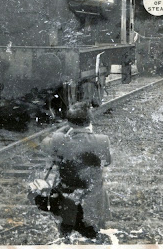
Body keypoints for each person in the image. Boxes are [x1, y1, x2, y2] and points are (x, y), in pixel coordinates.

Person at [40, 102, 111, 241]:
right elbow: (107, 162)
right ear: (89, 121)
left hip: (68, 200)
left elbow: (43, 144)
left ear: (69, 122)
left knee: (66, 235)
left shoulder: (58, 140)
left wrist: (64, 128)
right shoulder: (102, 140)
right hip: (93, 202)